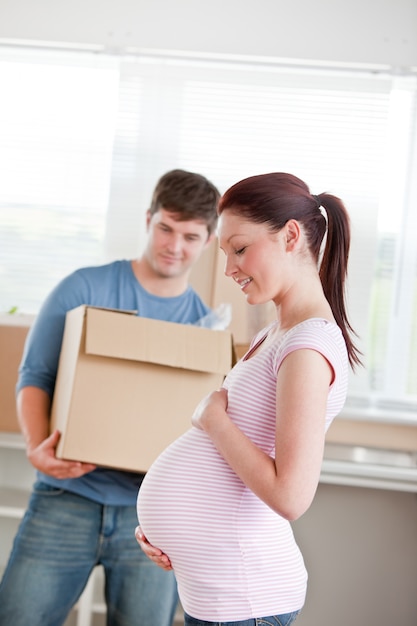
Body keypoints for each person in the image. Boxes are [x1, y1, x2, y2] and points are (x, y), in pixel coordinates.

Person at [136, 172, 362, 626]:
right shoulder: (276, 334)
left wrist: (212, 419)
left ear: (291, 237)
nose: (228, 269)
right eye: (224, 253)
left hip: (246, 600)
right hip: (221, 593)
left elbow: (290, 496)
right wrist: (174, 532)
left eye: (239, 249)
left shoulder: (307, 346)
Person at [0, 169, 221, 626]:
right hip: (66, 495)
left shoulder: (207, 332)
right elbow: (35, 375)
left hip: (152, 517)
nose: (174, 246)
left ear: (208, 240)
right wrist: (37, 449)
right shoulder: (84, 289)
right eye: (165, 228)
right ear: (148, 219)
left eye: (190, 236)